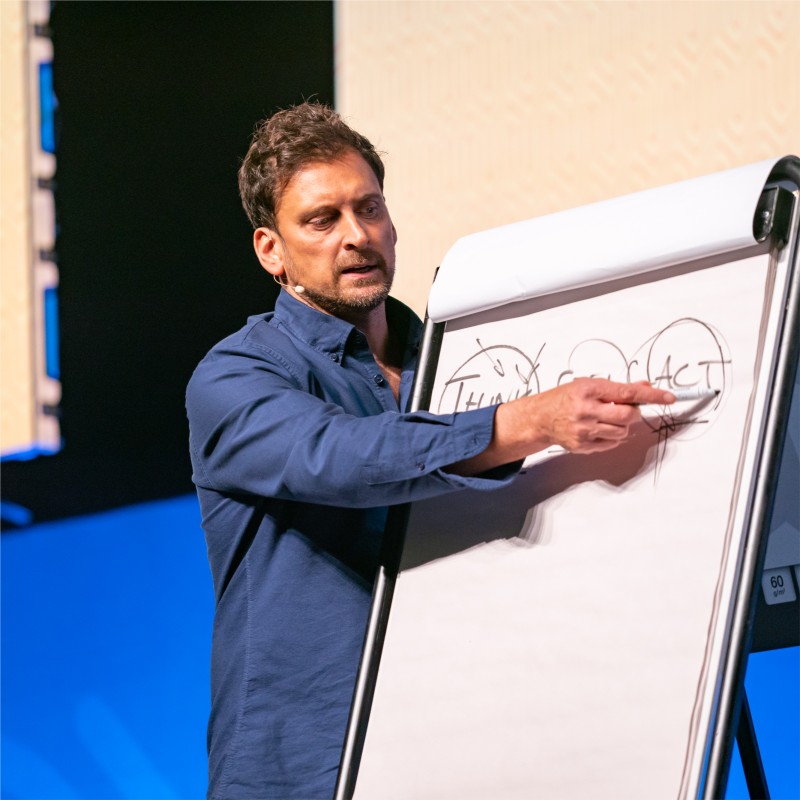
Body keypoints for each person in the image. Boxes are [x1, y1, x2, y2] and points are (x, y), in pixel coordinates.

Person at [186, 101, 674, 800]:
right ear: (272, 250)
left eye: (370, 208)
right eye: (323, 220)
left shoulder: (457, 361)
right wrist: (527, 423)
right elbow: (341, 456)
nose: (357, 236)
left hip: (471, 744)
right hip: (302, 768)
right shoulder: (234, 376)